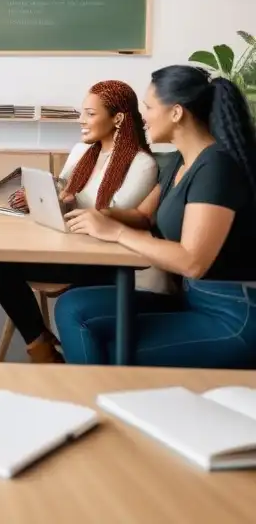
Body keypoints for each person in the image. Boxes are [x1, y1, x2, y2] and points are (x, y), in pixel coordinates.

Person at [54, 65, 256, 367]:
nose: (143, 116)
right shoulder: (181, 160)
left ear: (176, 113)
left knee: (107, 350)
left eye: (148, 107)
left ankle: (101, 404)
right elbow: (142, 215)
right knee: (72, 305)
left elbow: (193, 261)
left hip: (232, 315)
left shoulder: (217, 168)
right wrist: (97, 216)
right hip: (191, 299)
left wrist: (116, 233)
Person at [0, 80, 158, 363]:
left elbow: (113, 217)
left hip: (97, 257)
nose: (81, 120)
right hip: (65, 242)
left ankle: (45, 349)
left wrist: (68, 204)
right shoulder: (81, 151)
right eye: (82, 112)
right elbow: (63, 192)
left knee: (2, 265)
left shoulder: (141, 164)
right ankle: (39, 343)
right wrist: (38, 196)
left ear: (118, 118)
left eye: (90, 113)